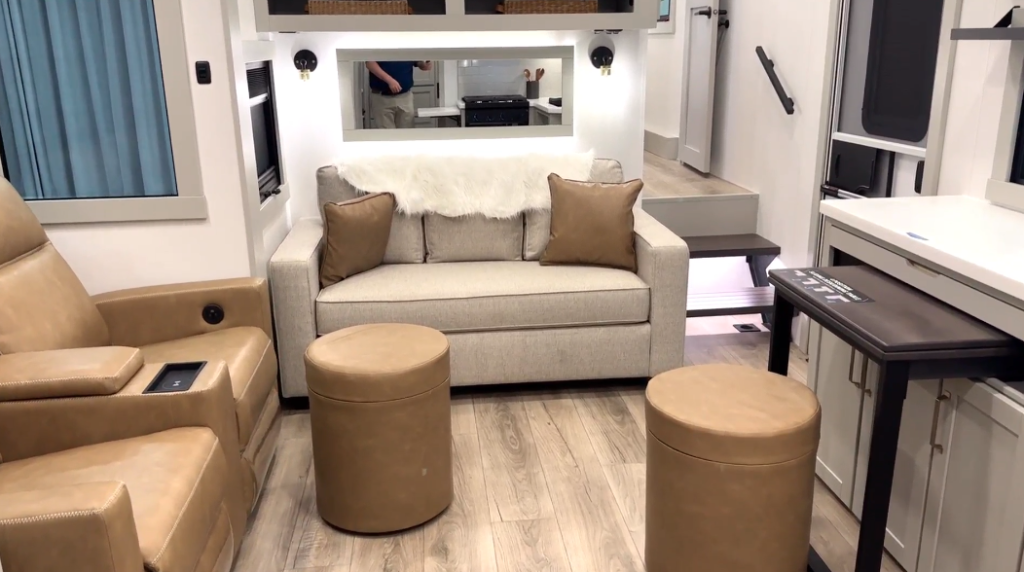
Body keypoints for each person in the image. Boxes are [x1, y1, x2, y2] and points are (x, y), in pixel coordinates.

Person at [365, 60, 432, 129]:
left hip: (405, 97)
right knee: (386, 134)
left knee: (407, 132)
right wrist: (389, 80)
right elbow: (370, 63)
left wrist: (425, 65)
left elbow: (418, 62)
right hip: (382, 97)